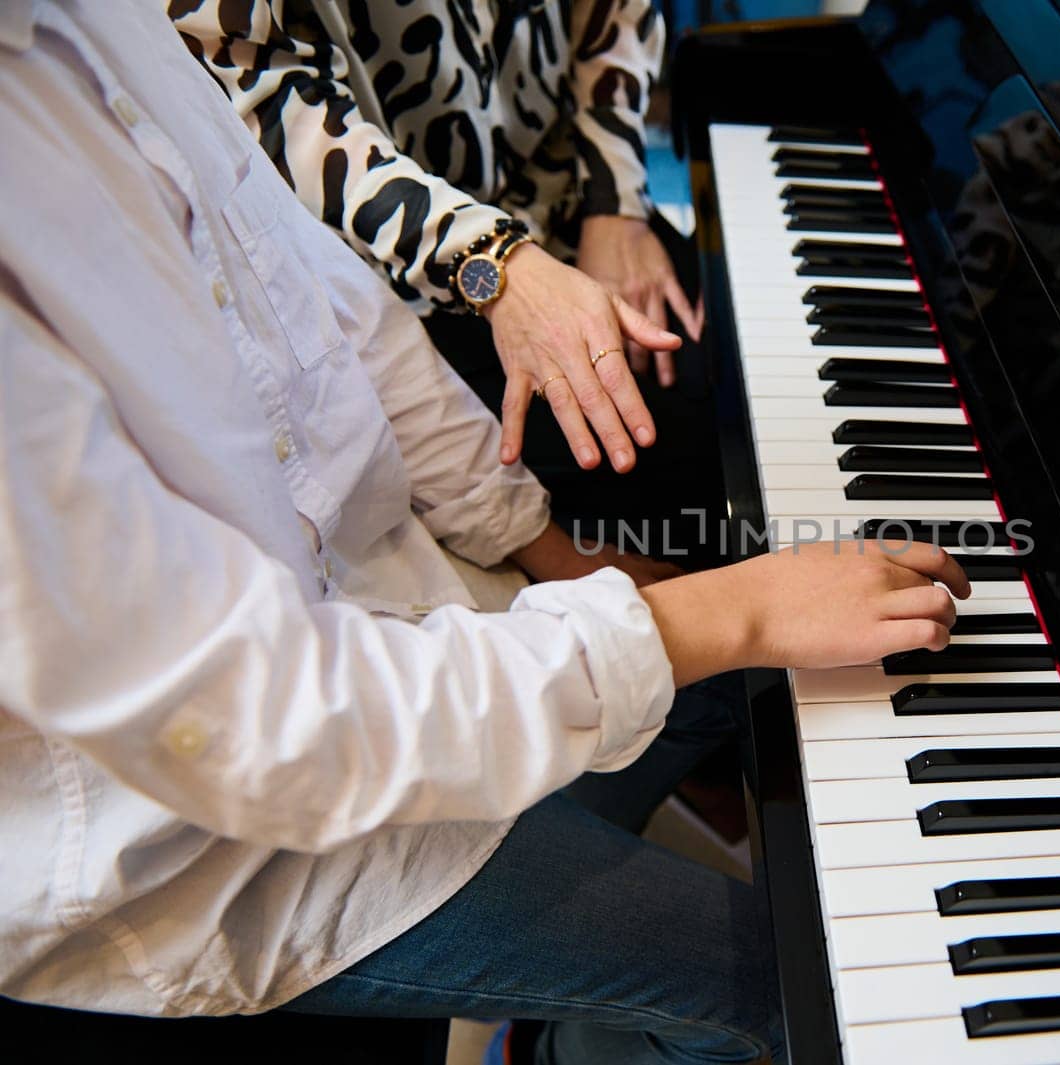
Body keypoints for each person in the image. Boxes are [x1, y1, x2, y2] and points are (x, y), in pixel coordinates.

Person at [0, 4, 969, 1063]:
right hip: (204, 835)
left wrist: (556, 554)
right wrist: (725, 607)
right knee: (788, 993)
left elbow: (334, 311)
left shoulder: (90, 19)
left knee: (743, 688)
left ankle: (559, 1003)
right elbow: (249, 719)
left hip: (392, 608)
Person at [169, 0, 722, 554]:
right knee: (680, 478)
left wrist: (615, 200)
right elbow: (274, 106)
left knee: (732, 379)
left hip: (574, 182)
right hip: (404, 280)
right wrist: (494, 261)